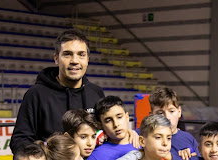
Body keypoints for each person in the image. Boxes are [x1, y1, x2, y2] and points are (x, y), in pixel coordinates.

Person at [10, 28, 138, 153]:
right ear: (56, 58)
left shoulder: (96, 93)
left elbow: (104, 131)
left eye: (81, 55)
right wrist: (47, 155)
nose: (75, 61)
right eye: (67, 54)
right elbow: (19, 141)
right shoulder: (36, 94)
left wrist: (127, 134)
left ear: (87, 59)